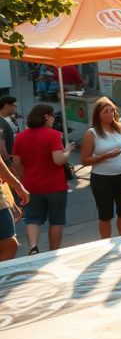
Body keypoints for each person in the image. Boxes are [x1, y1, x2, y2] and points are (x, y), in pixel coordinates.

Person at [12, 104, 74, 254]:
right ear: (46, 116)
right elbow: (58, 160)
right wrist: (67, 151)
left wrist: (24, 178)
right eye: (53, 116)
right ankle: (53, 251)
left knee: (32, 219)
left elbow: (17, 163)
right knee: (56, 220)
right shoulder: (53, 135)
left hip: (31, 186)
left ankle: (33, 247)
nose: (54, 119)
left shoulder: (20, 137)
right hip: (55, 186)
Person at [80, 97, 121, 239]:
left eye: (112, 111)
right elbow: (84, 160)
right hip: (102, 179)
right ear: (98, 115)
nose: (110, 114)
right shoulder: (92, 133)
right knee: (105, 214)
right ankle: (106, 242)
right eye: (105, 112)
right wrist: (105, 156)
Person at [0, 96, 16, 167]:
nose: (15, 108)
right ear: (6, 106)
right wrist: (9, 162)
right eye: (14, 105)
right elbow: (1, 145)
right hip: (4, 165)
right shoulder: (1, 123)